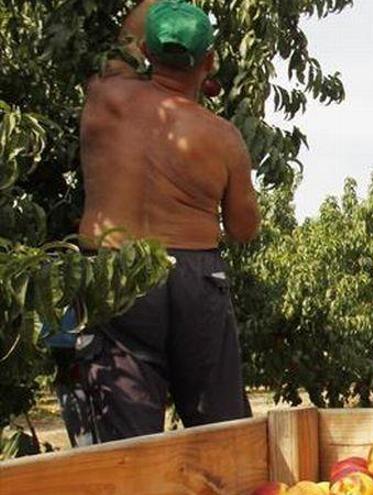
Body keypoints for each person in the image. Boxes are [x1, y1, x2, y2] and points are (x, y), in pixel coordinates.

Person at [67, 0, 261, 444]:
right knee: (221, 434)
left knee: (124, 441)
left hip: (115, 270)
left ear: (147, 53)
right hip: (196, 276)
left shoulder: (105, 94)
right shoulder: (222, 137)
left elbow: (129, 32)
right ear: (208, 63)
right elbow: (244, 229)